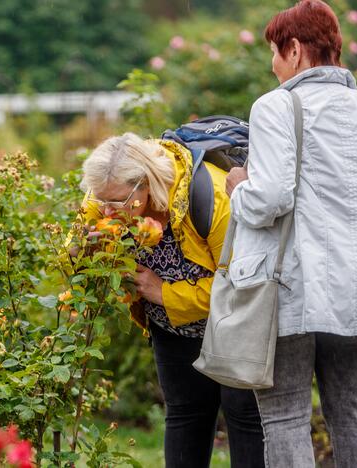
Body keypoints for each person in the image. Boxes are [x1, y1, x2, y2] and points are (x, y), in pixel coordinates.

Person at [225, 1, 357, 466]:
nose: (273, 65)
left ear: (295, 49)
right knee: (355, 417)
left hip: (291, 293)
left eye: (274, 53)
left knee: (285, 418)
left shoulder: (275, 106)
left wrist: (238, 187)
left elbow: (270, 200)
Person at [81, 133, 264, 467]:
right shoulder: (110, 189)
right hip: (173, 330)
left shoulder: (212, 195)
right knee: (185, 413)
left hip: (234, 324)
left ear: (146, 184)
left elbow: (240, 284)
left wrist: (162, 292)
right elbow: (75, 254)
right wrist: (84, 250)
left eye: (117, 203)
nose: (106, 210)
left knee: (244, 417)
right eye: (100, 200)